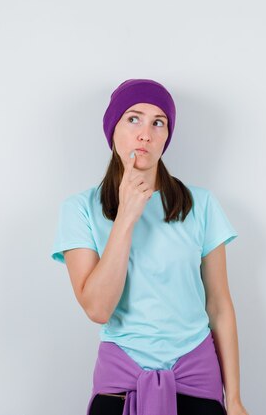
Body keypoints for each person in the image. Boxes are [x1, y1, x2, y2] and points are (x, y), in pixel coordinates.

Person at [50, 79, 250, 415]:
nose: (146, 133)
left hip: (197, 381)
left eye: (158, 122)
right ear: (112, 128)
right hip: (120, 387)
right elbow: (98, 309)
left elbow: (219, 305)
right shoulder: (79, 209)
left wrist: (235, 400)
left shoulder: (200, 205)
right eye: (133, 118)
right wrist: (126, 216)